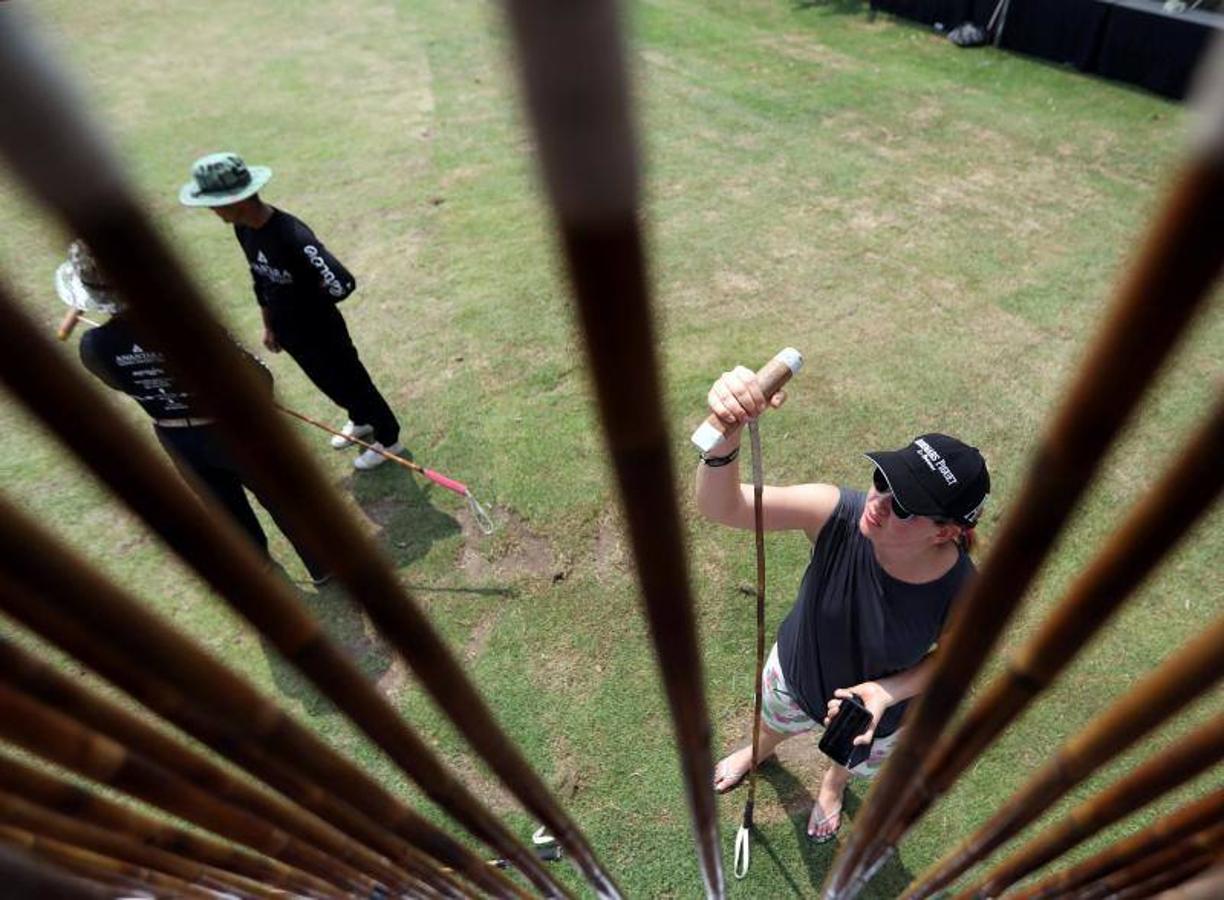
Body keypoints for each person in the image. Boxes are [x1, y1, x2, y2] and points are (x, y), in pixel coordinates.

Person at [696, 365, 990, 843]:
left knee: (846, 757)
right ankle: (759, 751)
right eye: (883, 479)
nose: (880, 501)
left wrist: (885, 693)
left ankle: (832, 789)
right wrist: (725, 437)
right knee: (770, 721)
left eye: (905, 506)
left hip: (875, 717)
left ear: (946, 531)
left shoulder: (965, 589)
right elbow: (721, 507)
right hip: (793, 674)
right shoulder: (835, 512)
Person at [59, 240, 332, 586]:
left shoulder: (93, 346)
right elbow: (257, 377)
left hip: (177, 437)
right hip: (233, 428)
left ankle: (260, 570)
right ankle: (320, 565)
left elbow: (120, 385)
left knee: (225, 510)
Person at [178, 151, 403, 470]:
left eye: (213, 204)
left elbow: (342, 282)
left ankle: (389, 438)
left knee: (352, 380)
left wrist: (311, 304)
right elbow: (259, 277)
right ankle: (361, 419)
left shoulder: (291, 234)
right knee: (328, 382)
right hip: (289, 330)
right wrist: (270, 323)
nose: (212, 211)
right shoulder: (243, 229)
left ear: (236, 200)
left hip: (320, 328)